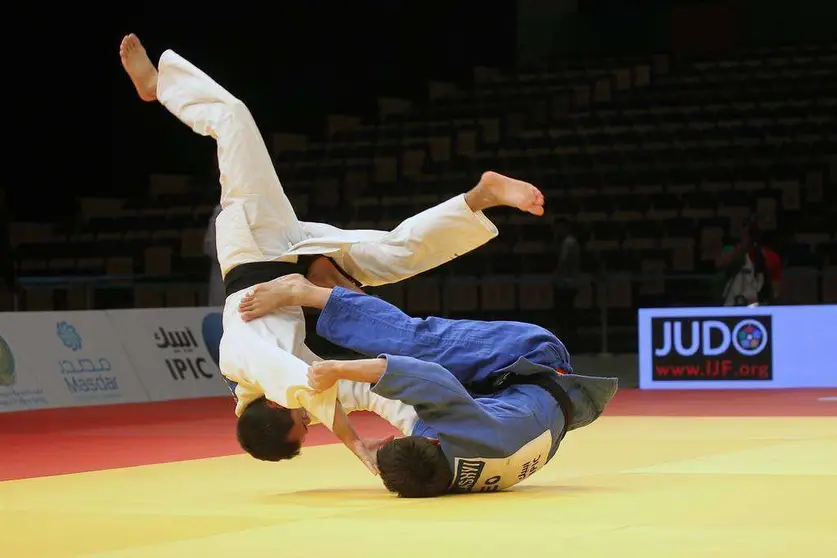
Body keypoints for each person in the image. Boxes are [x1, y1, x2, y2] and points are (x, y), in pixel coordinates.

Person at [118, 34, 546, 472]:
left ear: (276, 408)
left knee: (233, 120)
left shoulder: (252, 365)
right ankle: (480, 197)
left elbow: (308, 388)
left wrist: (357, 447)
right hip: (292, 252)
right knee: (393, 254)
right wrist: (412, 435)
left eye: (300, 424)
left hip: (256, 242)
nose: (308, 421)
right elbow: (354, 392)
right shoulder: (274, 378)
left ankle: (161, 87)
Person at [238, 275, 619, 497]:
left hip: (538, 397)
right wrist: (338, 369)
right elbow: (423, 376)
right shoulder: (463, 433)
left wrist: (358, 444)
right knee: (419, 345)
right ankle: (304, 291)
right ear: (434, 442)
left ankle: (333, 282)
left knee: (412, 397)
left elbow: (408, 426)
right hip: (534, 359)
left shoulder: (451, 478)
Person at [716, 218, 782, 306]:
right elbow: (719, 265)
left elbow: (775, 289)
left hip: (761, 302)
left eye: (751, 235)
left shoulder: (771, 257)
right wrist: (738, 250)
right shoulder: (731, 252)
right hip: (734, 301)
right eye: (744, 235)